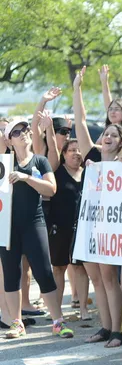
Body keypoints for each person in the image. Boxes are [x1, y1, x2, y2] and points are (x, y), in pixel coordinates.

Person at [0, 118, 73, 340]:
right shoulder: (4, 163)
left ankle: (58, 322)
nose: (23, 133)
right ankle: (16, 323)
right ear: (9, 140)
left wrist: (26, 177)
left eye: (25, 129)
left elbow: (51, 189)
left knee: (44, 271)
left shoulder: (40, 161)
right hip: (8, 226)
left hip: (34, 223)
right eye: (16, 132)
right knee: (12, 274)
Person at [73, 66, 122, 347]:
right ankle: (105, 327)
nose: (108, 136)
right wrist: (77, 88)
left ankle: (117, 331)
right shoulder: (92, 156)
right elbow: (81, 122)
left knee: (109, 278)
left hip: (112, 225)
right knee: (96, 277)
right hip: (89, 223)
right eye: (106, 133)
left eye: (114, 135)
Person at [42, 111, 90, 321]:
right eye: (71, 150)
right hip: (58, 229)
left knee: (80, 269)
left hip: (81, 229)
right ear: (64, 153)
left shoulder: (89, 173)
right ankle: (57, 312)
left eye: (79, 150)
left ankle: (84, 310)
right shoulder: (56, 172)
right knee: (59, 268)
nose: (76, 153)